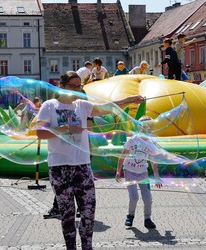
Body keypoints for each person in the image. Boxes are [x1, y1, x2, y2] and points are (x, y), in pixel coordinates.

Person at [36, 70, 144, 250]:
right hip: (59, 167)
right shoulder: (49, 106)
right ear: (62, 86)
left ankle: (87, 247)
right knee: (68, 214)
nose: (78, 89)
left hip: (82, 165)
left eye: (80, 86)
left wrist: (129, 100)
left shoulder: (82, 105)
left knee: (88, 211)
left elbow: (107, 107)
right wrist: (66, 128)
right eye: (73, 86)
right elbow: (40, 133)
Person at [115, 115, 163, 229]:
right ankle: (130, 216)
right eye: (144, 126)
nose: (146, 129)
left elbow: (153, 162)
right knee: (134, 197)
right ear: (139, 128)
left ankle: (147, 219)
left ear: (151, 128)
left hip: (143, 174)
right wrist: (118, 171)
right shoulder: (132, 140)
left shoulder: (151, 145)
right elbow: (122, 156)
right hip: (129, 172)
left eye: (149, 126)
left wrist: (157, 177)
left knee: (147, 198)